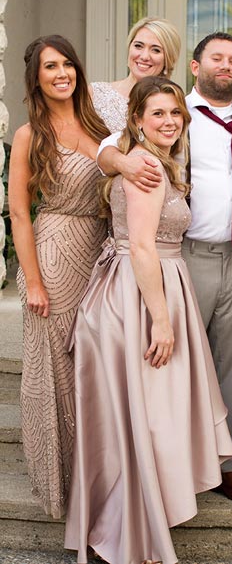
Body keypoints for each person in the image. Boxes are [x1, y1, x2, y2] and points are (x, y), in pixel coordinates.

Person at [97, 32, 232, 503]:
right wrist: (121, 160)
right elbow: (106, 146)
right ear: (195, 67)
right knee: (174, 366)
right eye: (216, 58)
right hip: (185, 256)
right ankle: (177, 467)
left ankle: (230, 464)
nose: (227, 65)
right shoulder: (176, 115)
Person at [64, 76, 232, 564]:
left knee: (146, 418)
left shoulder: (155, 163)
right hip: (140, 298)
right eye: (157, 113)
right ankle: (135, 537)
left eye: (175, 113)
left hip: (147, 287)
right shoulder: (146, 167)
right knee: (148, 418)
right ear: (136, 119)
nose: (168, 121)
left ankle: (137, 528)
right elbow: (140, 246)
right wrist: (161, 321)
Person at [8, 35, 110, 518]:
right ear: (37, 77)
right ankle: (64, 488)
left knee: (97, 366)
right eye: (51, 67)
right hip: (53, 253)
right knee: (59, 371)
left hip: (103, 254)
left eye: (68, 63)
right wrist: (32, 281)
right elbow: (21, 215)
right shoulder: (30, 135)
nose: (62, 73)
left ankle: (100, 481)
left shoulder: (99, 124)